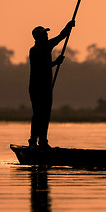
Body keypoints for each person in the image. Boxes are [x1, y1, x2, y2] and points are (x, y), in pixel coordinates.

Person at [28, 20, 75, 149]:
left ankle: (43, 140)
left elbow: (61, 36)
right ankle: (33, 141)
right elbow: (42, 67)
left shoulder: (48, 45)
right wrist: (56, 62)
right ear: (38, 37)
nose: (47, 36)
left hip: (46, 86)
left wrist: (68, 26)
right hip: (37, 87)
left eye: (46, 34)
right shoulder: (34, 51)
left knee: (46, 113)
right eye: (44, 34)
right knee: (38, 113)